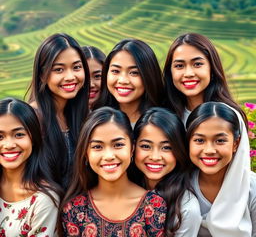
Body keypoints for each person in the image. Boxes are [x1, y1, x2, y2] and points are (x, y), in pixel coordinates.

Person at [60, 107, 167, 236]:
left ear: (132, 148)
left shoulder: (153, 206)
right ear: (86, 153)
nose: (109, 155)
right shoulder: (75, 209)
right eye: (97, 147)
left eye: (118, 145)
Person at [27, 33, 90, 188]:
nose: (70, 76)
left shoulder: (84, 115)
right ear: (42, 75)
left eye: (76, 67)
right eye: (59, 69)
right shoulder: (32, 119)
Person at [186, 101, 255, 236]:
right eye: (199, 140)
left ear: (236, 144)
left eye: (220, 140)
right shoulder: (180, 186)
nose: (209, 150)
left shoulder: (252, 187)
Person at [133, 107, 201, 237]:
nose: (155, 156)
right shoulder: (124, 187)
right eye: (146, 146)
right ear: (133, 147)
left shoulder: (185, 207)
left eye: (166, 147)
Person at [0, 98, 61, 236]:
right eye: (0, 137)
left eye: (19, 135)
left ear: (33, 138)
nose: (9, 145)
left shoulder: (44, 200)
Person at [163, 33, 247, 125]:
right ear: (170, 72)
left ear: (212, 68)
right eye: (179, 66)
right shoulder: (164, 118)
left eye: (198, 64)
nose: (188, 74)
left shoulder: (228, 116)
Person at [93, 38, 165, 127]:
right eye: (115, 71)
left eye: (134, 72)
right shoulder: (95, 121)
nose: (123, 81)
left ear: (149, 75)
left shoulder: (163, 123)